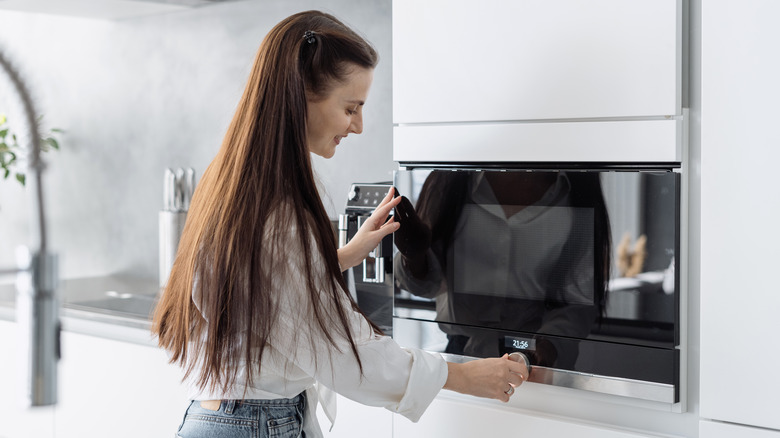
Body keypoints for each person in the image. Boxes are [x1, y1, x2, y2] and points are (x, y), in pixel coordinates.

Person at [152, 10, 528, 438]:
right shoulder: (280, 212)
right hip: (254, 424)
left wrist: (341, 256)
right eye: (351, 107)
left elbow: (261, 286)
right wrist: (461, 376)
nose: (360, 125)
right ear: (302, 95)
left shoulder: (234, 180)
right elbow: (344, 353)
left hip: (218, 417)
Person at [394, 170, 612, 369]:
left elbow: (577, 301)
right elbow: (425, 286)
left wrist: (545, 348)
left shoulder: (577, 186)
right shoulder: (450, 179)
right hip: (460, 358)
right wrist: (413, 255)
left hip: (536, 362)